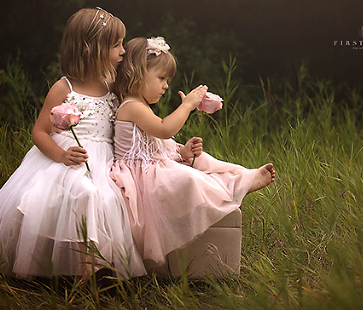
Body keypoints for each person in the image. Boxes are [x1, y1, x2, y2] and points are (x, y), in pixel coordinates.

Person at [0, 8, 145, 279]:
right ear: (90, 49)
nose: (123, 51)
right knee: (83, 194)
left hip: (102, 162)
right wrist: (61, 155)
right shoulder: (64, 88)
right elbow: (40, 132)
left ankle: (95, 267)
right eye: (116, 45)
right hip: (67, 159)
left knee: (105, 199)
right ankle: (85, 271)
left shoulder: (112, 85)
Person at [110, 36, 275, 272]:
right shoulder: (132, 106)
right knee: (186, 179)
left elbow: (157, 140)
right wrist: (187, 105)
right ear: (137, 73)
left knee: (202, 160)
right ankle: (234, 186)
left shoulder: (141, 105)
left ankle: (241, 181)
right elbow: (166, 128)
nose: (166, 85)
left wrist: (182, 150)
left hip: (152, 166)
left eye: (167, 80)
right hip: (139, 176)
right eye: (161, 78)